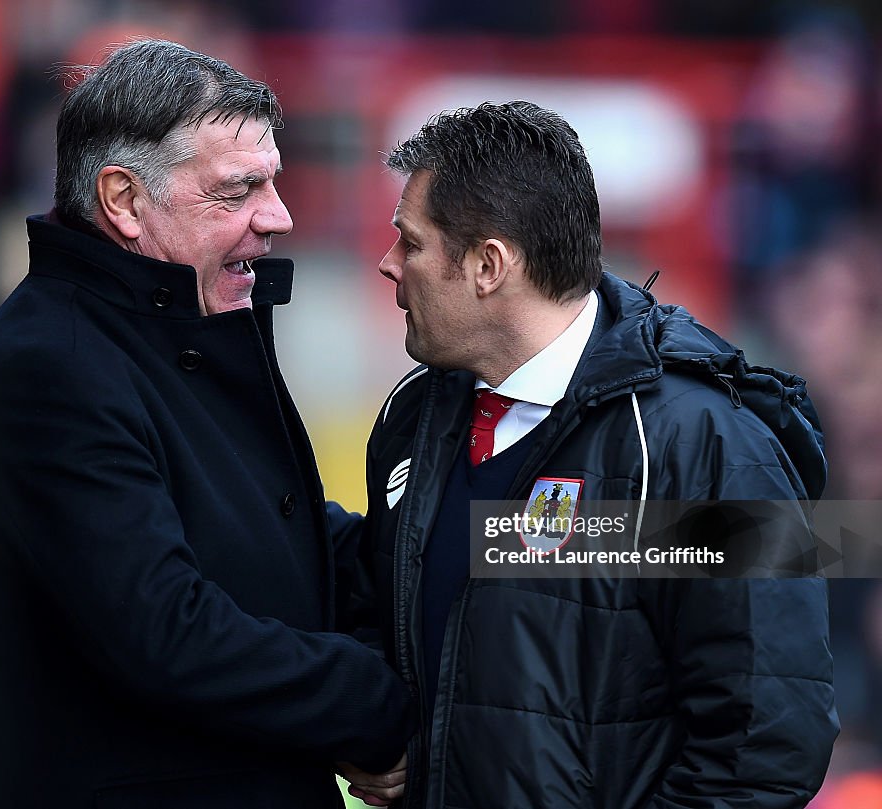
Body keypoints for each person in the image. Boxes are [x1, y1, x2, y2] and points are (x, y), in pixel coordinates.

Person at [0, 39, 413, 809]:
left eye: (274, 183)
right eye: (237, 190)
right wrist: (375, 706)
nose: (278, 217)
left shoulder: (173, 329)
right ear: (123, 200)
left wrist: (460, 551)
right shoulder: (49, 369)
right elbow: (168, 631)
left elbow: (272, 543)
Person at [342, 102, 838, 808]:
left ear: (489, 265)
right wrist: (381, 732)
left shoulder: (706, 447)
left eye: (410, 242)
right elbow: (388, 627)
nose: (389, 265)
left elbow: (765, 746)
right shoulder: (413, 416)